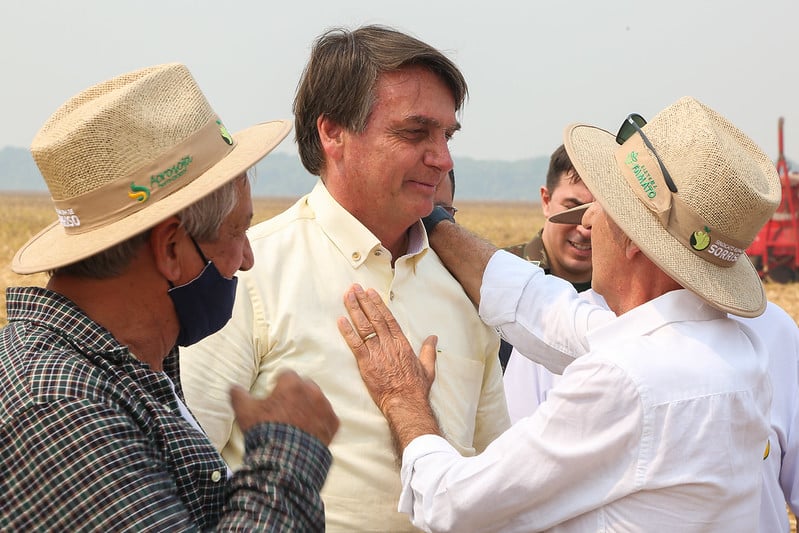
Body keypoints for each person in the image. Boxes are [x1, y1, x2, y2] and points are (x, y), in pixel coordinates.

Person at [338, 96, 781, 531]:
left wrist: (404, 399)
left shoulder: (626, 382)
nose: (585, 224)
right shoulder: (732, 350)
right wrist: (436, 223)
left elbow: (456, 506)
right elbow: (549, 309)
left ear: (631, 240)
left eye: (600, 209)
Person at [179, 25, 509, 531]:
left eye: (447, 135)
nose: (443, 159)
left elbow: (496, 484)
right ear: (332, 133)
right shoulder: (248, 273)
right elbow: (188, 481)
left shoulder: (469, 287)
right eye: (415, 132)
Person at [0, 63, 339, 531]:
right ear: (172, 249)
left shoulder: (127, 367)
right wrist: (288, 456)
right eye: (237, 231)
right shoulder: (61, 410)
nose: (246, 260)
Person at [499, 144, 593, 371]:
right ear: (546, 201)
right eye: (572, 208)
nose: (584, 228)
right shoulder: (501, 274)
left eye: (597, 212)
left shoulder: (631, 291)